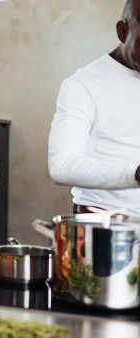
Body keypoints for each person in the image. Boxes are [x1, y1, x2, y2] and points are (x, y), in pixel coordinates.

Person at [48, 0, 140, 216]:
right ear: (123, 31)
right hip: (104, 227)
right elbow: (61, 165)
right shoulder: (83, 85)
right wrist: (135, 174)